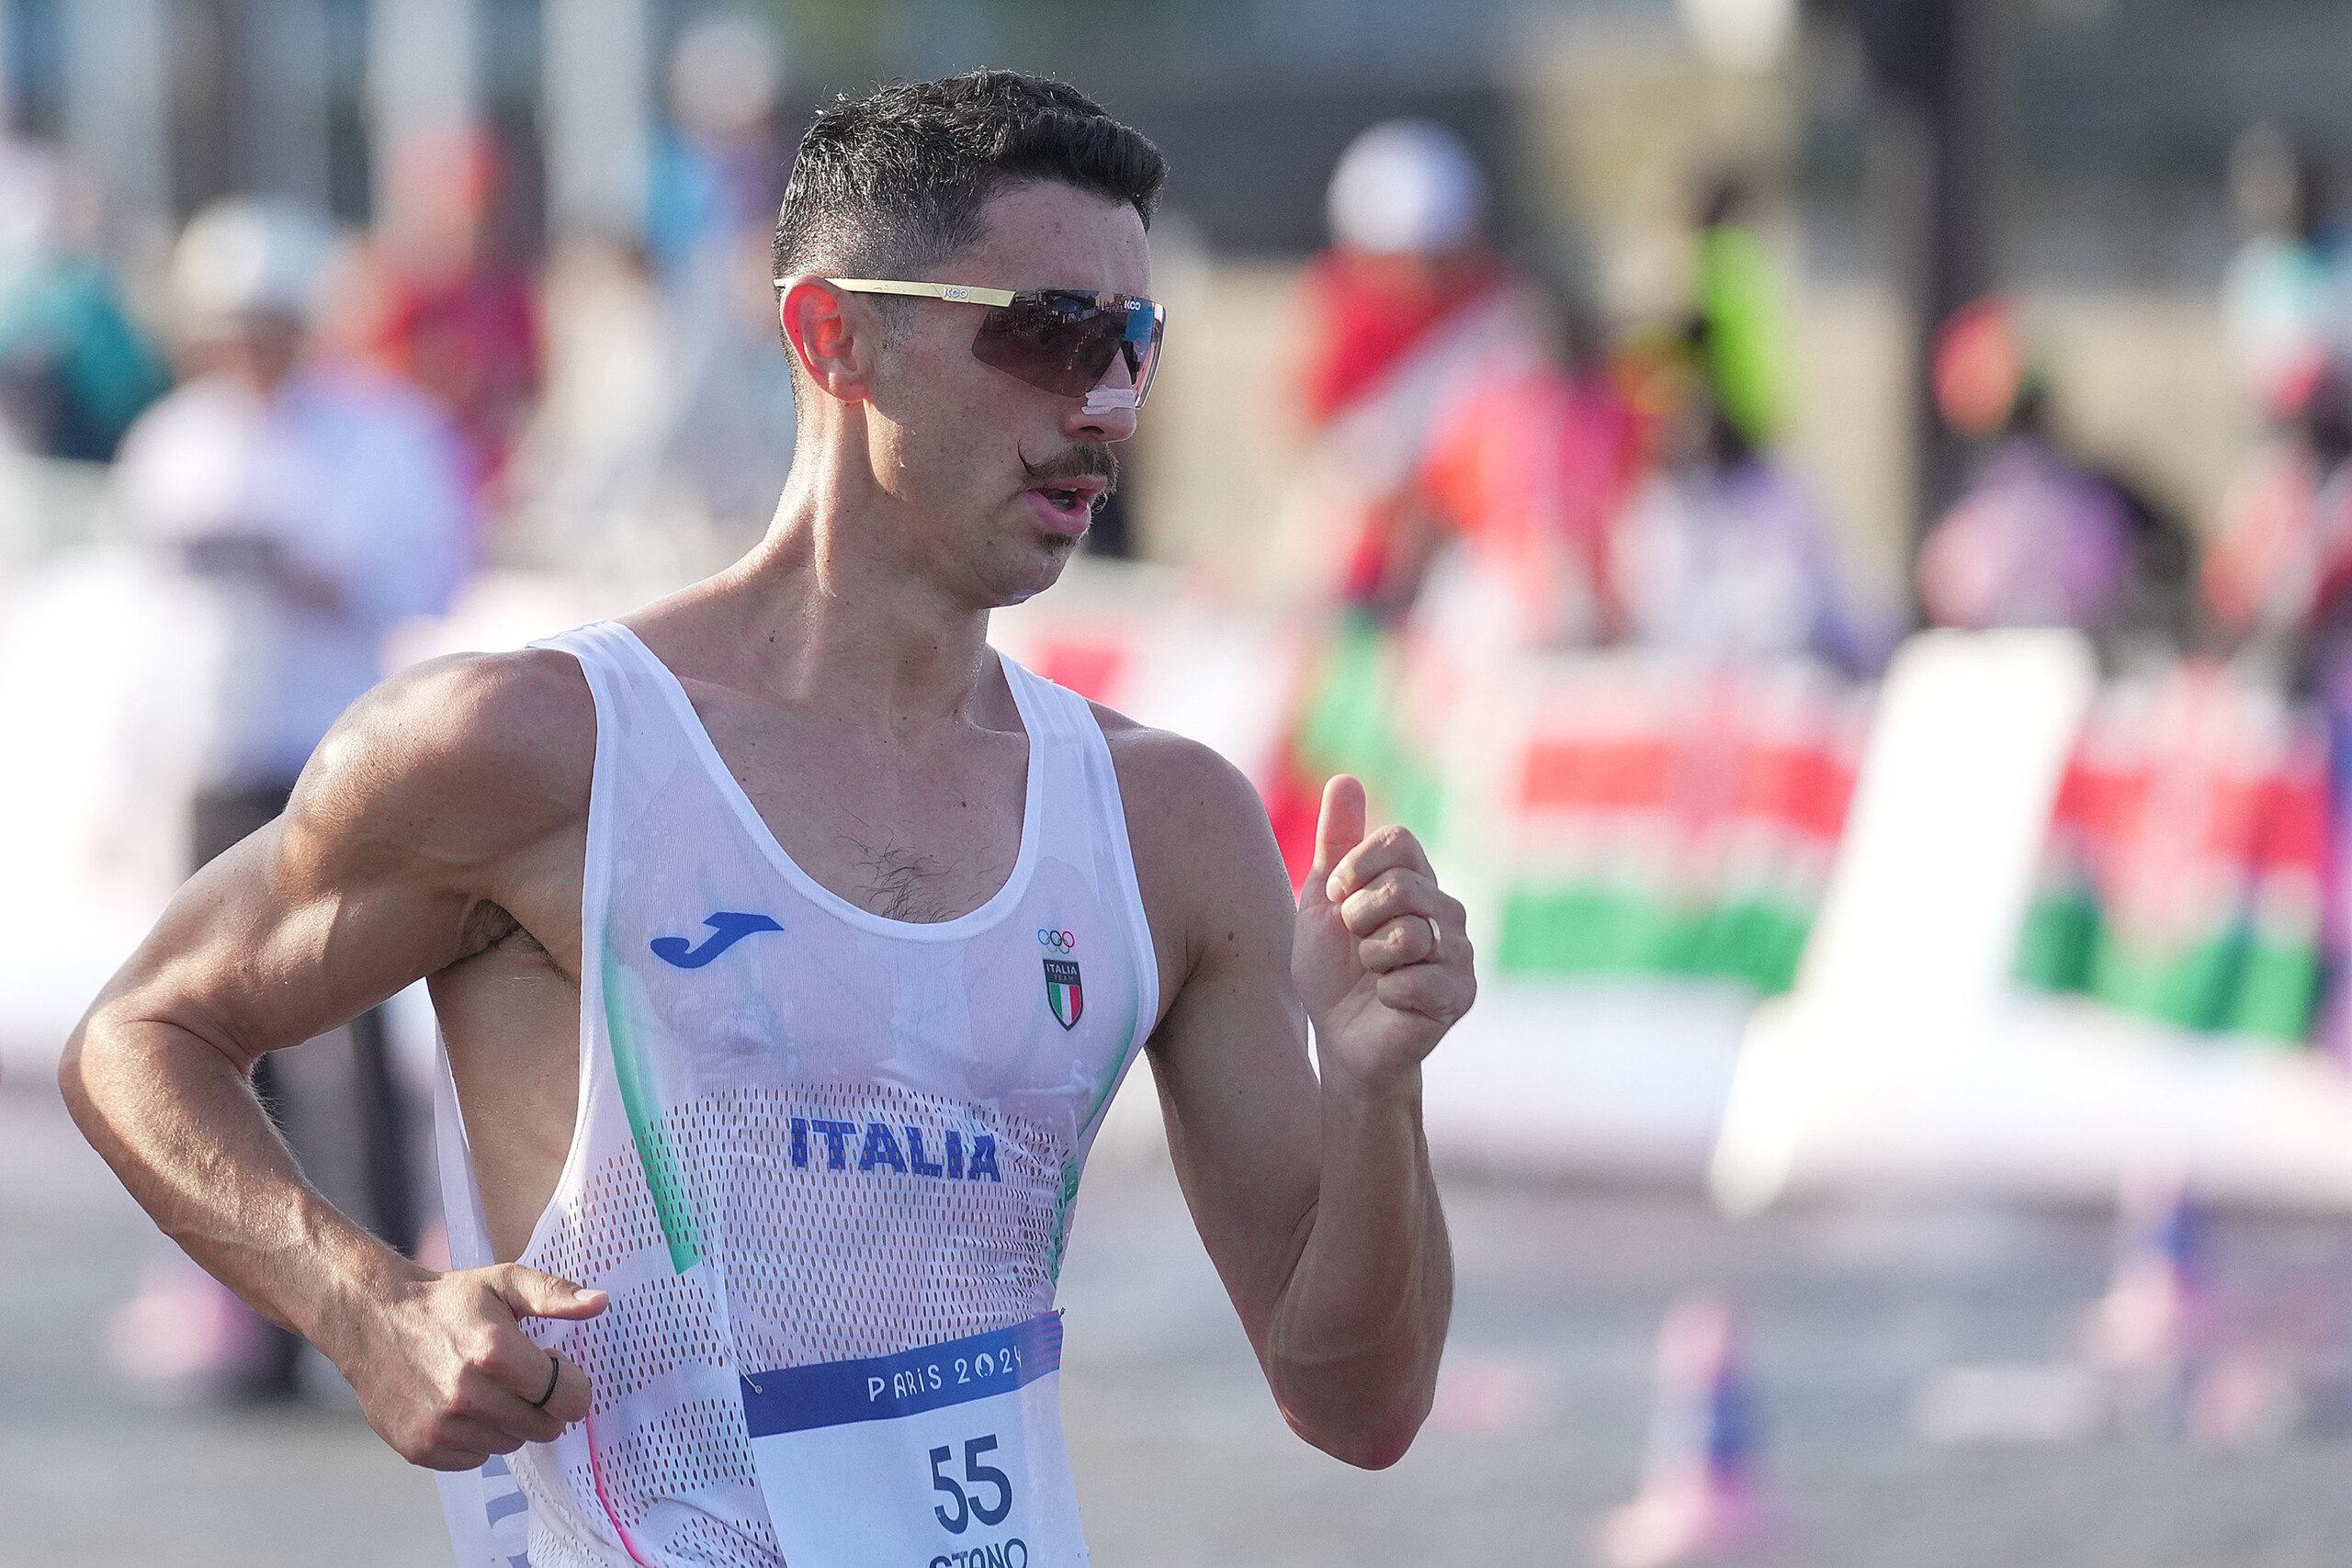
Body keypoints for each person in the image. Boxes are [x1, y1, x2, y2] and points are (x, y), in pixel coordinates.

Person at [61, 72, 1474, 1568]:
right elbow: (137, 1036)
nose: (1108, 405)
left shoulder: (1164, 823)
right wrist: (367, 1310)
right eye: (1053, 333)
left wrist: (1375, 1086)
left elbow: (1360, 1404)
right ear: (831, 335)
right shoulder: (538, 749)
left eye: (1135, 343)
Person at [100, 196, 474, 1398]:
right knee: (221, 1044)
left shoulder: (378, 434)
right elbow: (146, 636)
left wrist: (303, 571)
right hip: (219, 761)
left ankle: (386, 1294)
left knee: (352, 1044)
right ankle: (258, 1312)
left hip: (332, 767)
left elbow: (425, 577)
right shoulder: (175, 442)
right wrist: (129, 779)